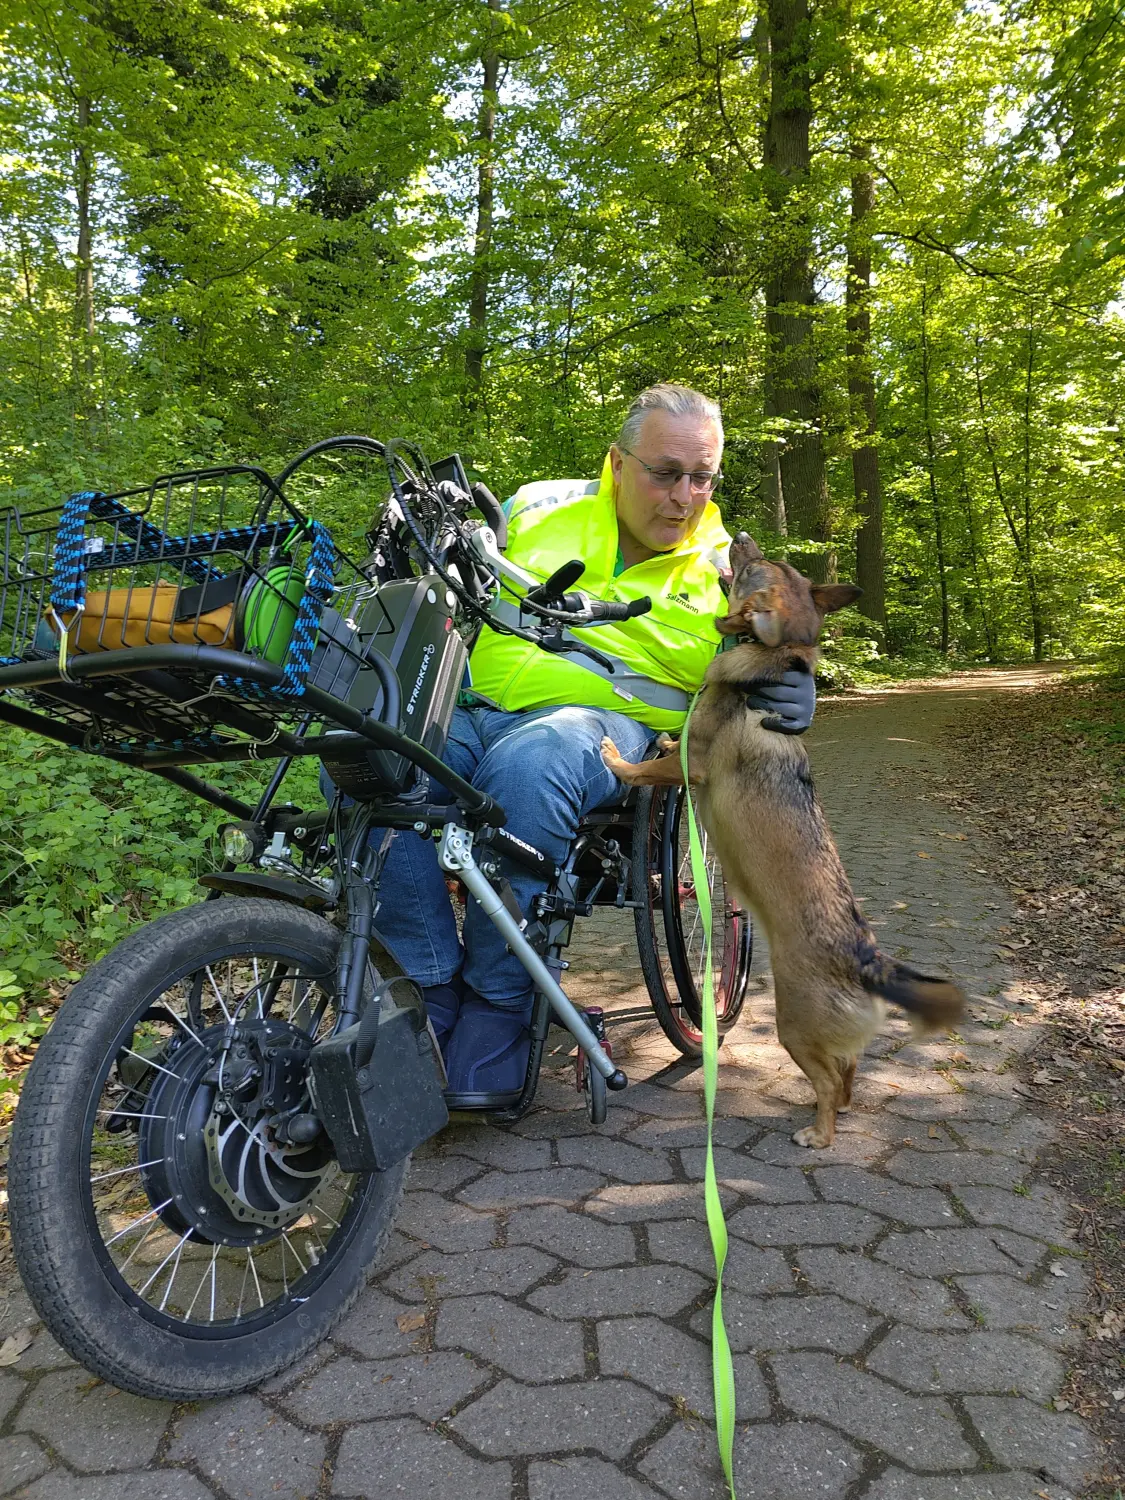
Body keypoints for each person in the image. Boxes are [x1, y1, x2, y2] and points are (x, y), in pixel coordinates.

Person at [369, 383, 815, 1103]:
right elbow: (456, 572)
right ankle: (426, 986)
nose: (684, 497)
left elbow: (780, 648)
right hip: (469, 703)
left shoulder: (729, 571)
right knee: (372, 756)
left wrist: (791, 682)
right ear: (617, 461)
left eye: (702, 477)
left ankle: (500, 1001)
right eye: (665, 473)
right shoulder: (536, 505)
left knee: (534, 762)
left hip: (603, 728)